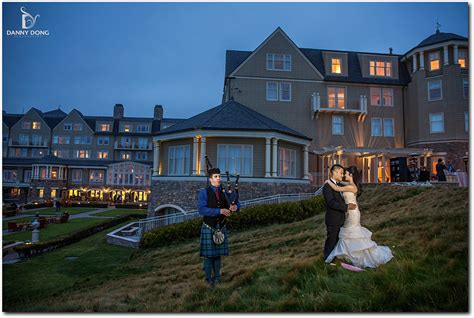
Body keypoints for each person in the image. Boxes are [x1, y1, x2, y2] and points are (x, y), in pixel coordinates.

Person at [325, 166, 393, 269]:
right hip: (347, 212)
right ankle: (339, 256)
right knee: (343, 235)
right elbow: (336, 189)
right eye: (341, 173)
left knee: (352, 232)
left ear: (351, 175)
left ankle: (355, 254)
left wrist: (327, 181)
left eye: (345, 173)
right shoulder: (349, 184)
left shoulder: (351, 186)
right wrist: (332, 181)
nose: (343, 175)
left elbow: (337, 188)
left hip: (352, 212)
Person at [198, 167, 240, 287]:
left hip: (221, 226)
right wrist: (220, 211)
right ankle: (208, 280)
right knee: (208, 256)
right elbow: (202, 210)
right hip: (209, 226)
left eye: (219, 176)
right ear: (210, 179)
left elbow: (236, 202)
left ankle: (217, 278)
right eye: (216, 177)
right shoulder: (204, 193)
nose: (218, 179)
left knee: (217, 255)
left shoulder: (224, 192)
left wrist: (235, 207)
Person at [322, 164, 356, 263]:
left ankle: (336, 258)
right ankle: (328, 261)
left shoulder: (340, 185)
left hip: (342, 218)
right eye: (341, 173)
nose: (342, 175)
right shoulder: (327, 187)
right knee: (331, 240)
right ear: (334, 172)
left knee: (338, 241)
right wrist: (346, 207)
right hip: (333, 219)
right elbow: (331, 202)